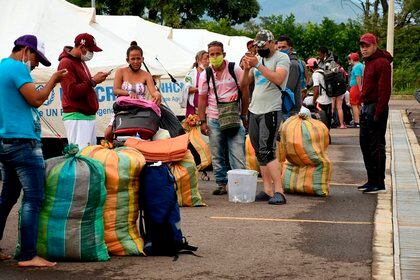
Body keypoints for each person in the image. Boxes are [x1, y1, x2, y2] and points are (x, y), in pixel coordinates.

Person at [0, 35, 67, 267]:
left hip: (5, 140)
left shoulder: (1, 67)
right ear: (26, 51)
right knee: (33, 198)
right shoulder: (17, 67)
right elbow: (37, 99)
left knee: (8, 196)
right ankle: (29, 255)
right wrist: (54, 80)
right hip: (23, 143)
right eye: (37, 58)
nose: (36, 64)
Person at [241, 30, 290, 205]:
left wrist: (257, 65)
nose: (260, 49)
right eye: (257, 46)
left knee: (267, 149)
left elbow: (278, 78)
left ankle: (279, 191)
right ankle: (267, 189)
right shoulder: (258, 60)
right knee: (258, 150)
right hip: (255, 109)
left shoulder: (281, 58)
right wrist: (247, 69)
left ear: (271, 43)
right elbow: (244, 85)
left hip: (271, 109)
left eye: (263, 46)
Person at [198, 41, 248, 195]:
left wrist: (244, 113)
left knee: (237, 153)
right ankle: (221, 184)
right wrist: (202, 121)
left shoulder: (234, 69)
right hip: (213, 117)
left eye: (217, 54)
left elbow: (245, 91)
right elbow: (202, 98)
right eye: (211, 54)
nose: (214, 57)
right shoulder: (205, 74)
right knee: (217, 153)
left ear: (223, 54)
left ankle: (239, 185)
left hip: (234, 117)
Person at [58, 33, 109, 150]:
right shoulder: (66, 63)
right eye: (91, 50)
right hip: (77, 117)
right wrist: (93, 82)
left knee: (89, 155)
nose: (92, 54)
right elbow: (72, 92)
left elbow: (84, 86)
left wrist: (93, 81)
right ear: (82, 48)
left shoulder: (80, 61)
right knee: (81, 156)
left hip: (86, 116)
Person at [104, 41, 162, 141]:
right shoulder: (121, 72)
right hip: (123, 108)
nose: (136, 61)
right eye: (133, 59)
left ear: (142, 59)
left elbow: (153, 92)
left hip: (141, 109)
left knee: (151, 134)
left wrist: (158, 94)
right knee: (108, 133)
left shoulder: (146, 75)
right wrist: (129, 93)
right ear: (128, 60)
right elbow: (115, 90)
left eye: (138, 58)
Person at [357, 33, 392, 194]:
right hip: (367, 107)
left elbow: (385, 91)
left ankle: (379, 182)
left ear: (375, 45)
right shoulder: (369, 62)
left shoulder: (382, 63)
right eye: (362, 46)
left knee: (376, 146)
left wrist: (378, 113)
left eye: (367, 46)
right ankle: (371, 179)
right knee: (365, 144)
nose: (364, 49)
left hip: (376, 107)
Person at [277, 35, 302, 115]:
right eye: (279, 47)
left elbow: (288, 89)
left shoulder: (292, 64)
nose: (280, 50)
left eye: (283, 47)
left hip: (290, 107)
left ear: (290, 49)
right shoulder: (282, 63)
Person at [179, 50, 209, 118]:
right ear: (198, 60)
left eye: (208, 58)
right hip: (193, 109)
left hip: (209, 109)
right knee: (194, 127)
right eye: (205, 59)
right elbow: (187, 89)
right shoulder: (191, 74)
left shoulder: (211, 72)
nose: (208, 61)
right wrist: (201, 89)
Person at [307, 58, 332, 131]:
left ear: (310, 67)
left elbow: (316, 89)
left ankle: (324, 134)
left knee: (322, 119)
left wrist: (314, 100)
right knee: (328, 118)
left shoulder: (315, 74)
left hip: (321, 100)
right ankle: (328, 134)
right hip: (329, 98)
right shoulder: (323, 72)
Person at [348, 52, 364, 128]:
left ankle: (357, 122)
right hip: (359, 87)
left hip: (355, 87)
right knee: (358, 104)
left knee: (354, 104)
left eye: (350, 59)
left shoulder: (356, 67)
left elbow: (358, 77)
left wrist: (360, 88)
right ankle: (360, 121)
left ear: (352, 59)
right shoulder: (362, 65)